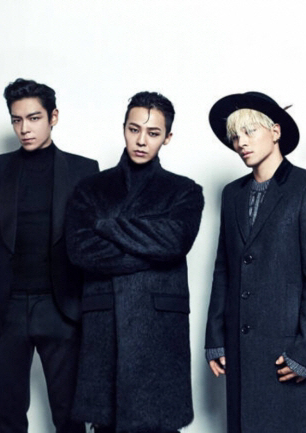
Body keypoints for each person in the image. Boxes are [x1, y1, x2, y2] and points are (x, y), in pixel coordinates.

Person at [0, 78, 99, 433]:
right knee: (8, 417)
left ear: (53, 117)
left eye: (34, 118)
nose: (24, 129)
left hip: (63, 309)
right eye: (17, 120)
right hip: (5, 310)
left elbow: (93, 248)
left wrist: (94, 314)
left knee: (70, 418)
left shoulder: (84, 171)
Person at [65, 91, 204, 433]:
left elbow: (174, 243)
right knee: (106, 423)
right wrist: (150, 248)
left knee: (159, 422)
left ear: (167, 137)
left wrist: (106, 226)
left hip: (159, 327)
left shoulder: (185, 190)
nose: (141, 141)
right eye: (134, 129)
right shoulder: (90, 188)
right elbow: (81, 250)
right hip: (104, 322)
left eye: (153, 133)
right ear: (124, 128)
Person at [205, 92, 306, 433]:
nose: (241, 143)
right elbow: (224, 268)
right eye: (235, 136)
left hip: (288, 348)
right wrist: (215, 337)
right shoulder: (232, 194)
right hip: (240, 347)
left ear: (275, 131)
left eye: (249, 131)